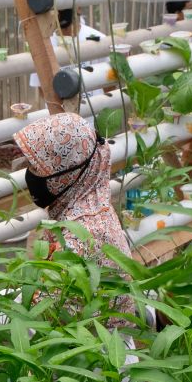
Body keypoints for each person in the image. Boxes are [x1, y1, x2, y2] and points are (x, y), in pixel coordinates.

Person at [13, 112, 136, 328]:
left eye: (38, 167)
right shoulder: (92, 208)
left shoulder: (80, 235)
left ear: (66, 174)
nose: (31, 175)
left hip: (95, 355)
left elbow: (52, 315)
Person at [30, 8, 105, 104]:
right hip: (62, 114)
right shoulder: (43, 44)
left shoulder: (96, 38)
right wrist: (60, 107)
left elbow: (109, 84)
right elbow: (41, 86)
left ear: (78, 8)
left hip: (92, 114)